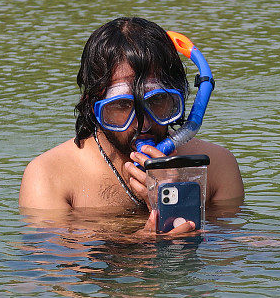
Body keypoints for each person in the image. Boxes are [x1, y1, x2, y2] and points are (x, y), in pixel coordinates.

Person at [19, 17, 244, 233]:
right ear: (92, 106)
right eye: (122, 105)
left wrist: (176, 203)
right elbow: (49, 263)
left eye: (157, 101)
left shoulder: (215, 167)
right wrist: (141, 243)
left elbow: (230, 253)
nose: (142, 123)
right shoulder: (50, 175)